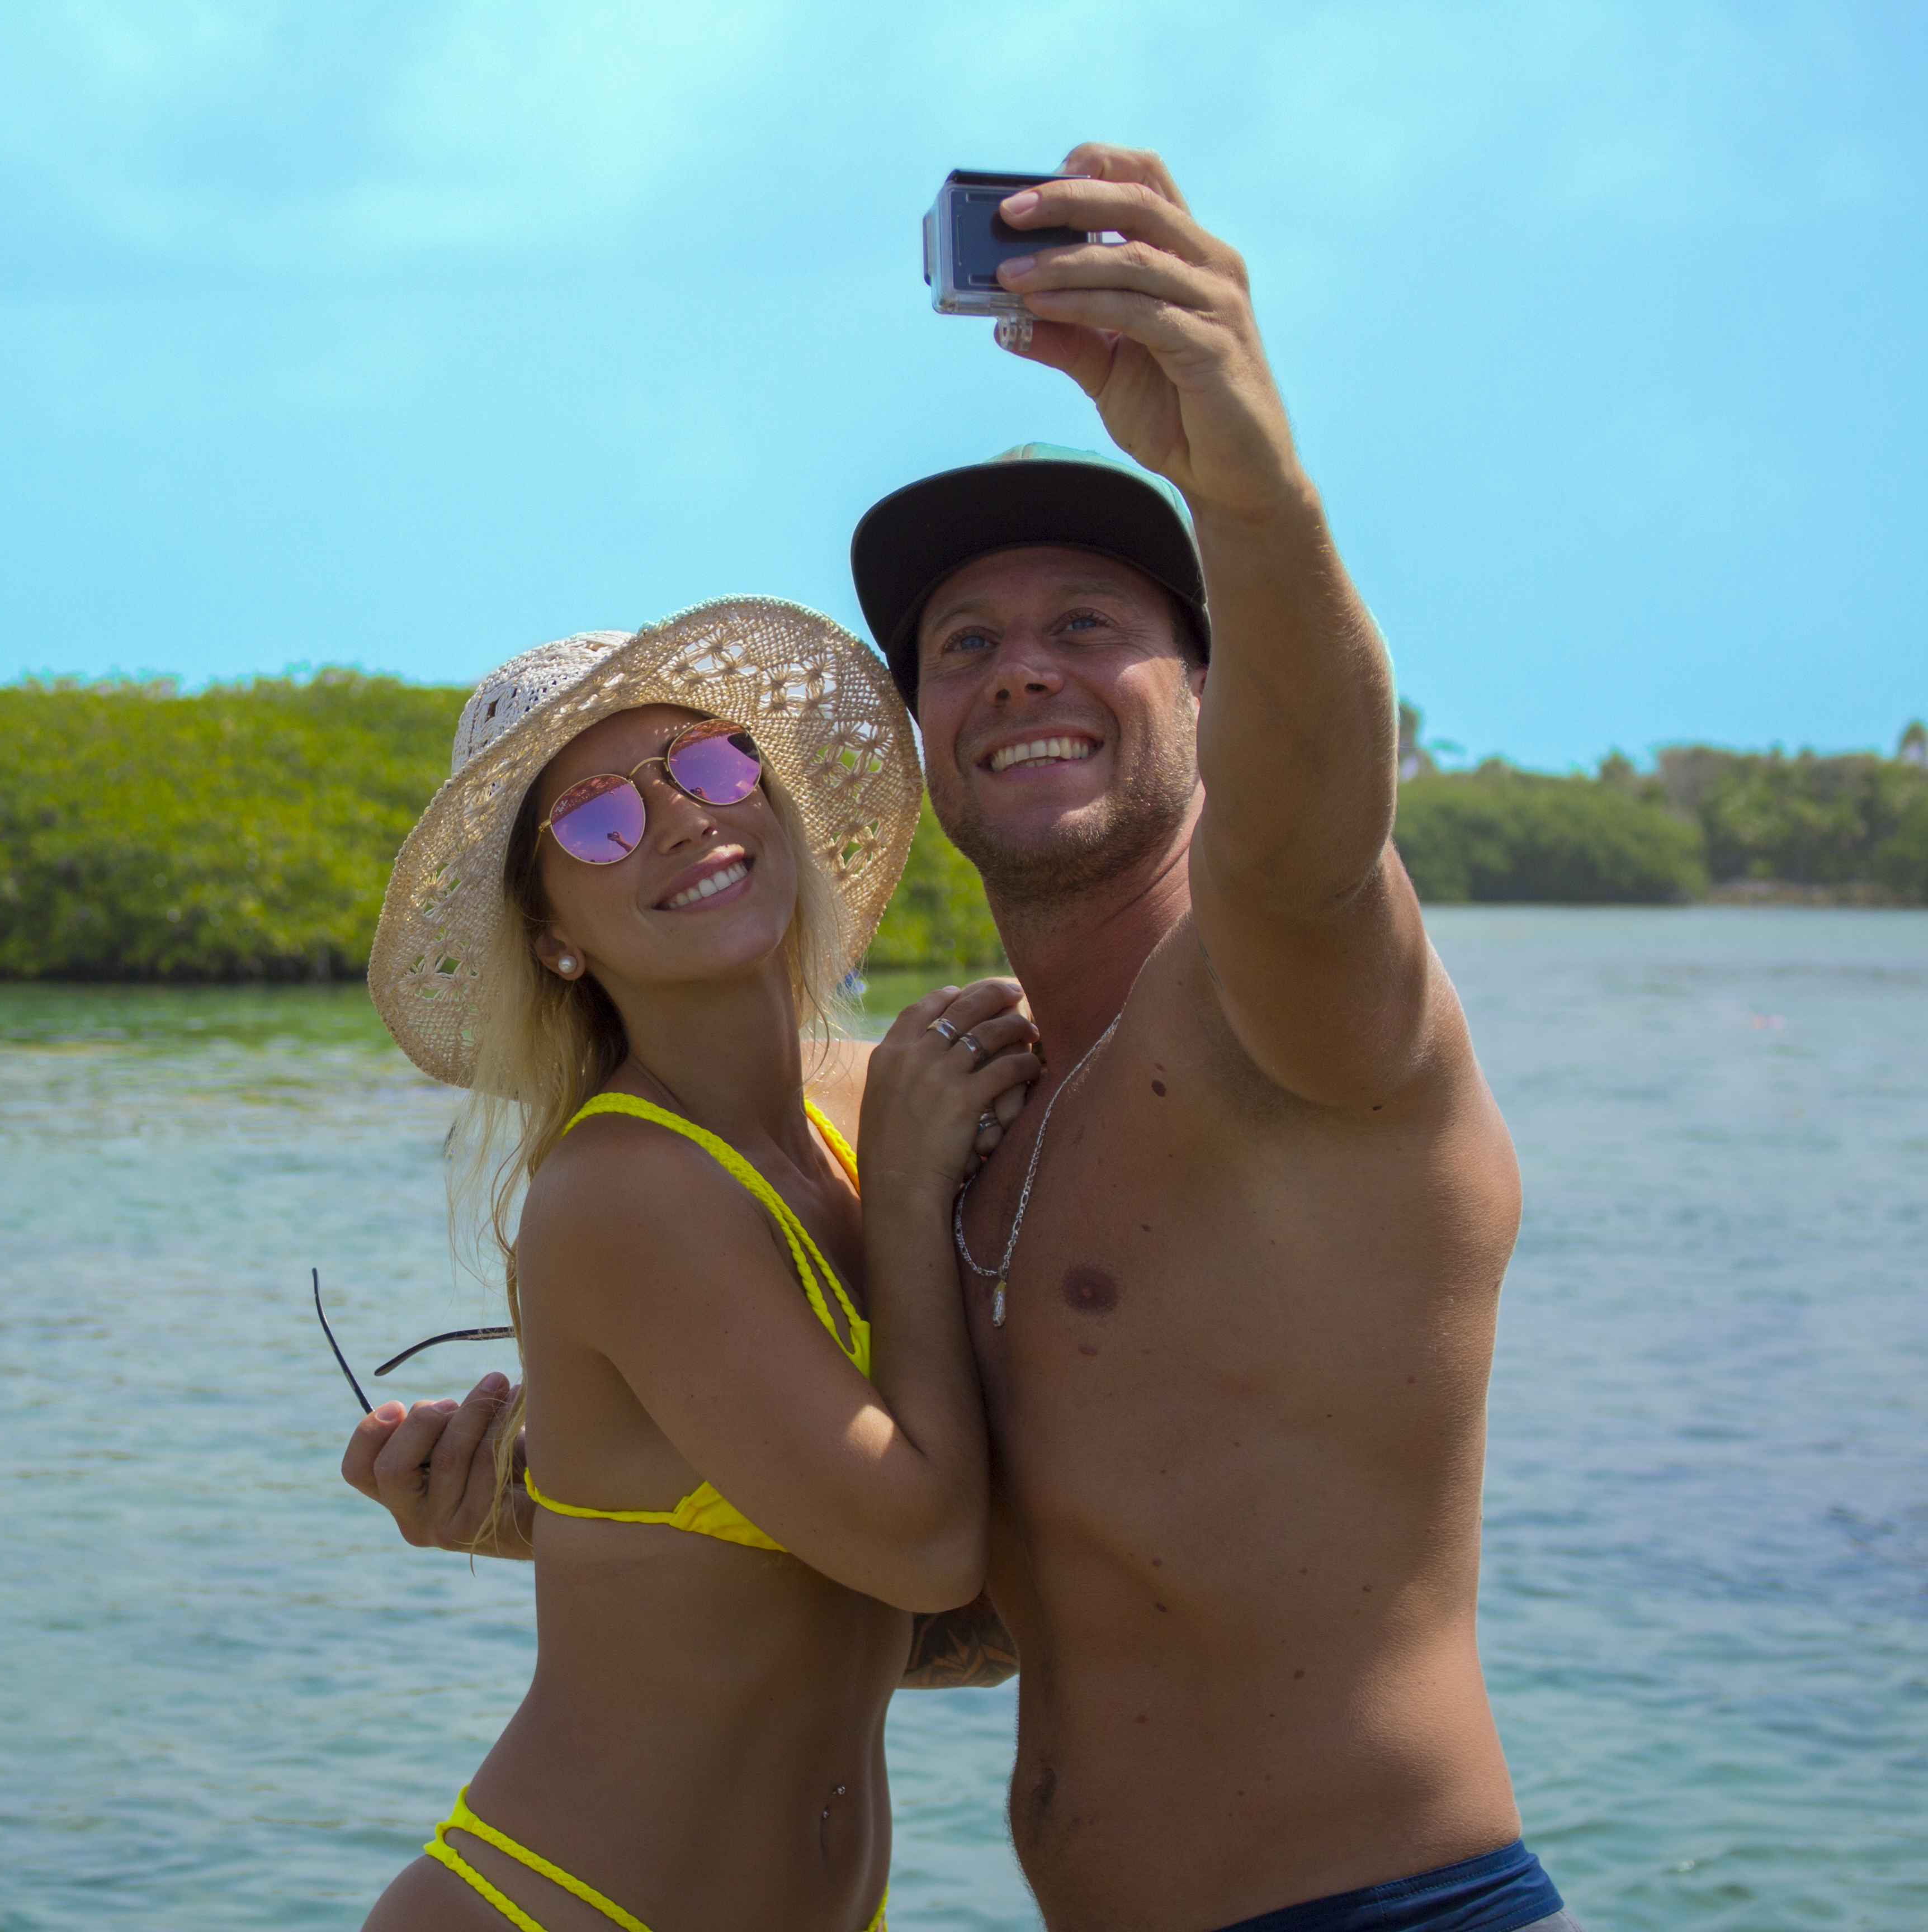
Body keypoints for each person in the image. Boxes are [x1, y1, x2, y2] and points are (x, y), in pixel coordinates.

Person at [349, 148, 1580, 1932]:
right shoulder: (969, 1117)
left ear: (1212, 694)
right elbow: (1002, 1609)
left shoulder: (1293, 1011)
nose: (1022, 670)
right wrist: (604, 1521)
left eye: (1094, 627)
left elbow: (1315, 822)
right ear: (916, 729)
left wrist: (1242, 461)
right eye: (966, 644)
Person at [352, 600, 1043, 1932]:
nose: (679, 817)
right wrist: (907, 1192)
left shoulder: (866, 1098)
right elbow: (925, 1542)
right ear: (555, 933)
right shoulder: (625, 1195)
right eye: (598, 822)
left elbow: (957, 1604)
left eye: (715, 765)